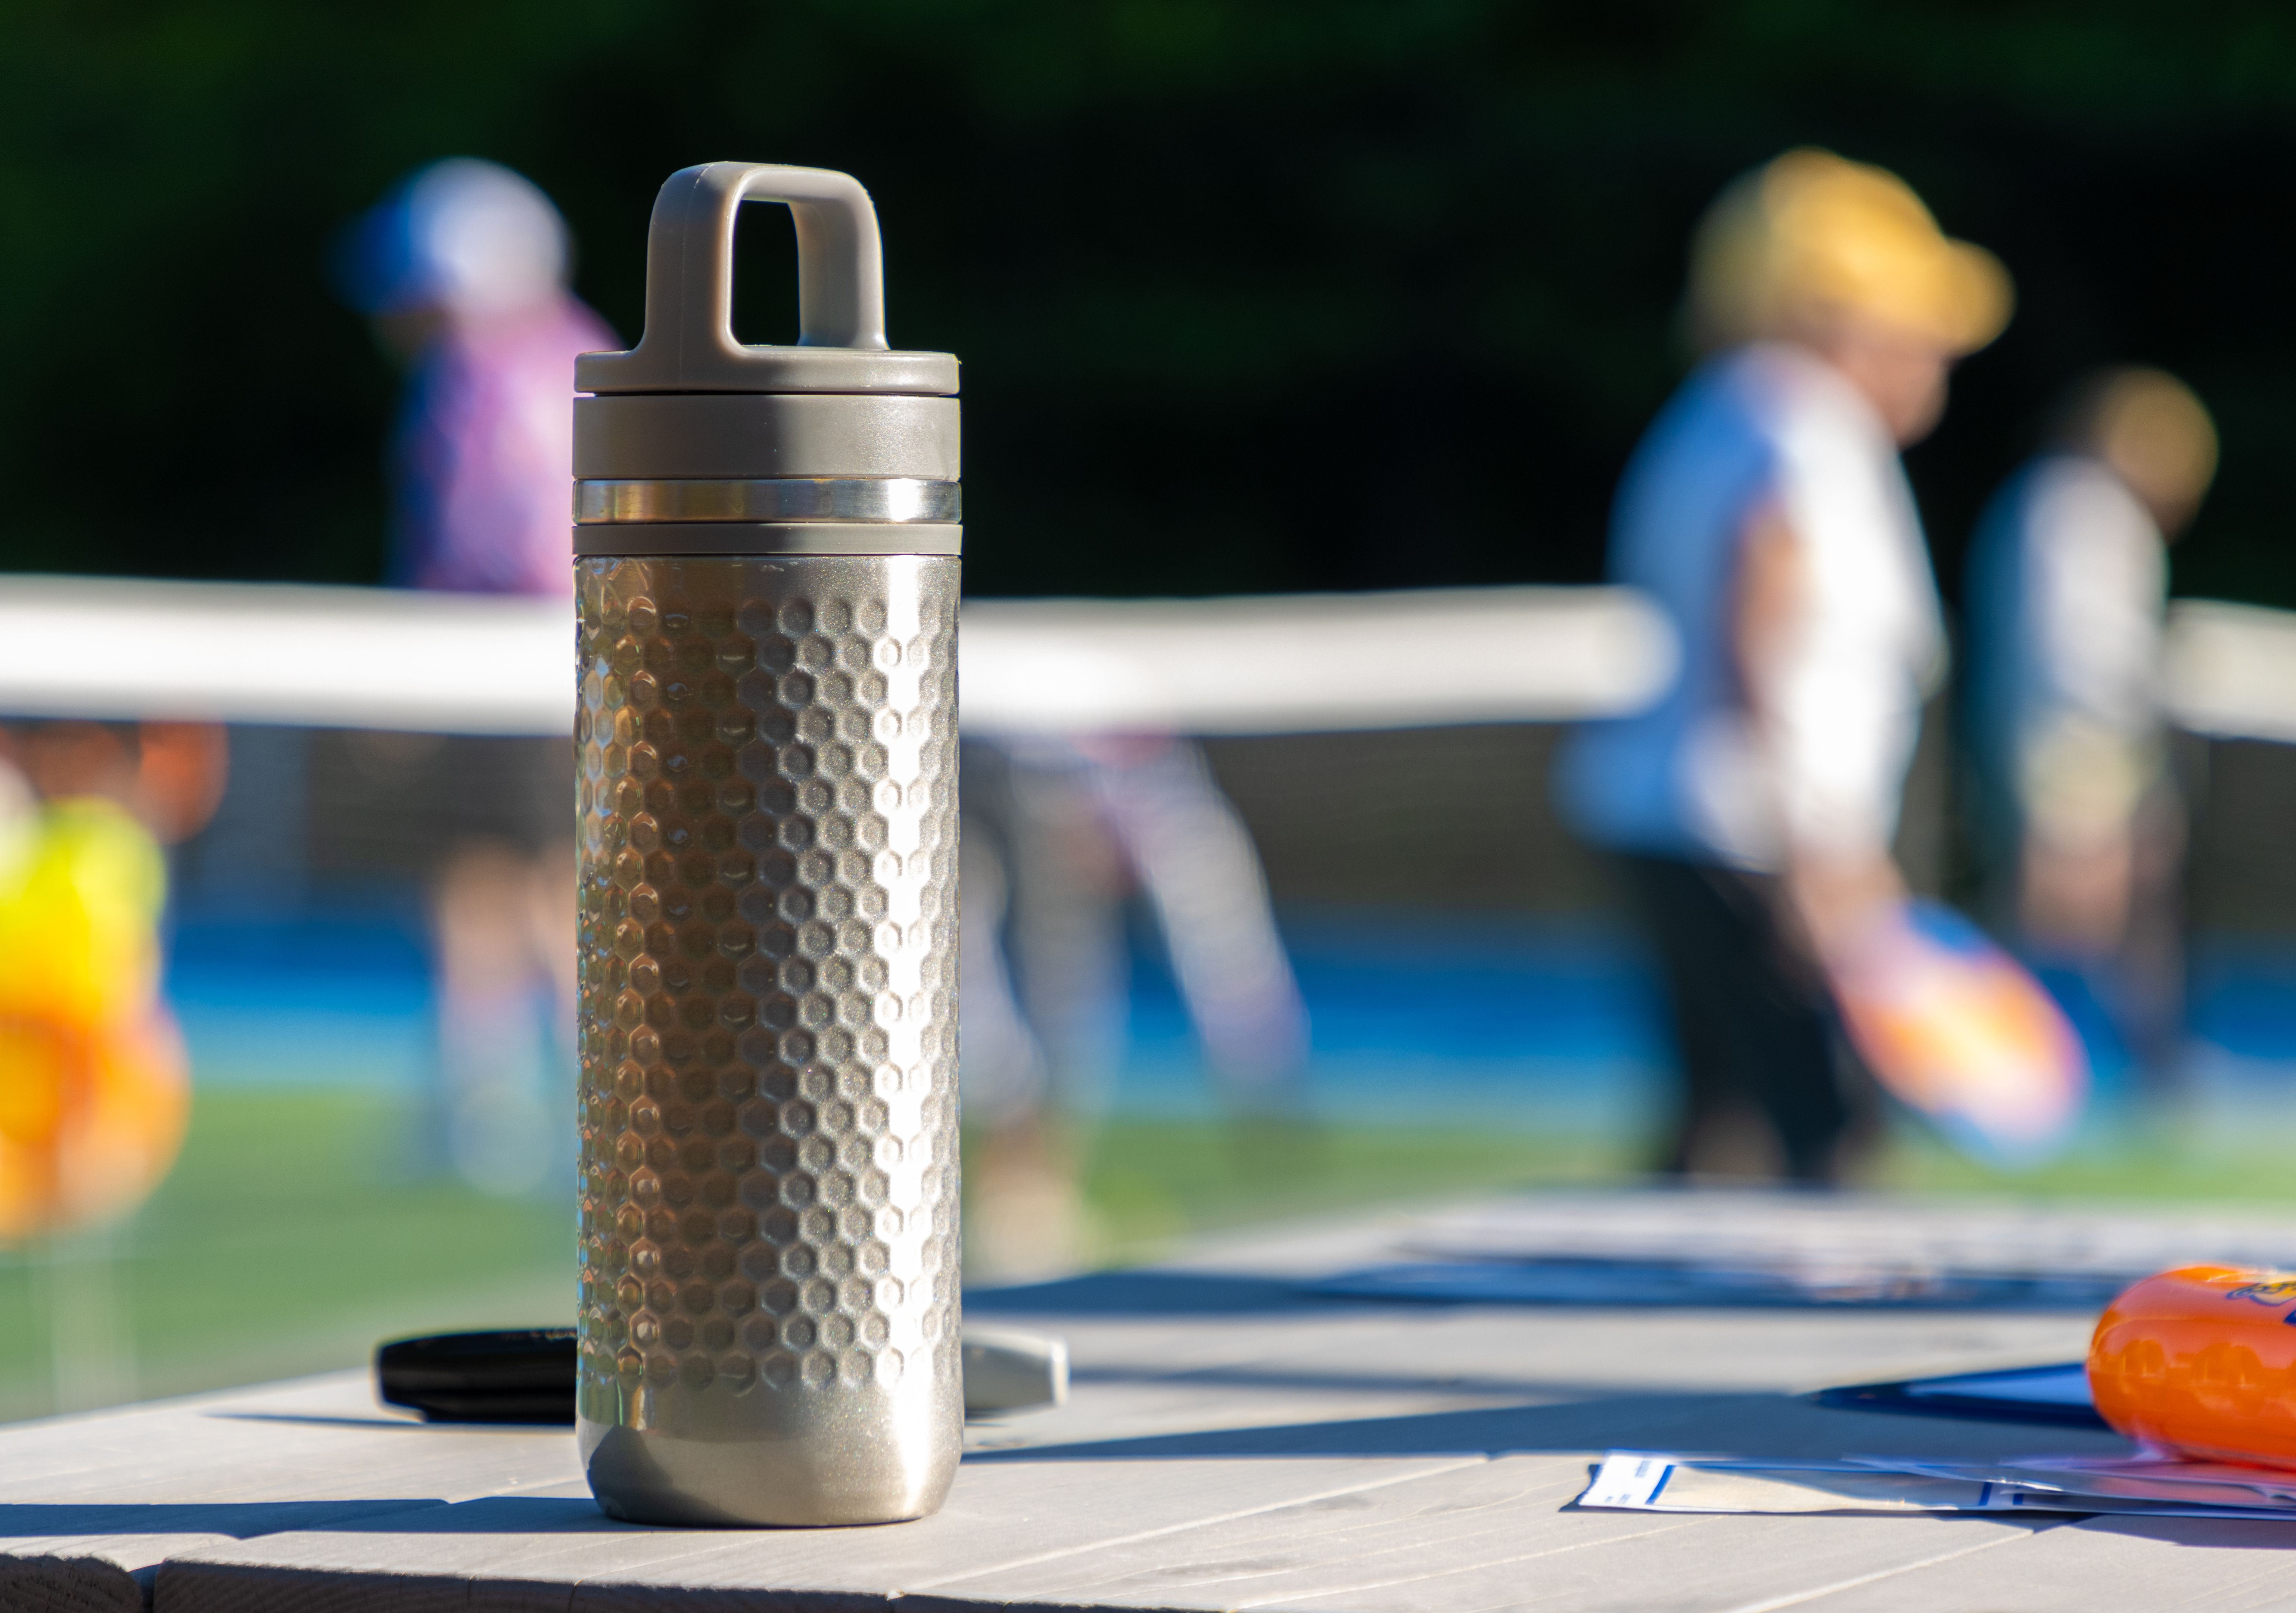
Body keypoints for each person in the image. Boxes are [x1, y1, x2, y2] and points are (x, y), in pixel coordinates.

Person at [1556, 149, 2012, 1182]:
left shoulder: (1720, 411)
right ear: (1832, 315)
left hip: (1691, 822)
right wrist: (1817, 852)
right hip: (1750, 833)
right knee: (1827, 1135)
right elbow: (1757, 607)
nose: (1934, 353)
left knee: (1716, 1132)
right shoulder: (1800, 423)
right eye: (1915, 322)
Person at [338, 160, 615, 1193]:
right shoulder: (581, 353)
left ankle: (550, 1101)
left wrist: (410, 676)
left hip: (517, 671)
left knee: (542, 884)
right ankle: (495, 1097)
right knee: (490, 877)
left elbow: (476, 547)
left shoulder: (485, 376)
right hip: (560, 666)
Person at [959, 733, 1310, 1277]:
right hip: (1013, 761)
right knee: (1041, 973)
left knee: (1061, 980)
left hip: (1106, 767)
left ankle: (1033, 1187)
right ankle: (1025, 1186)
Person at [1962, 369, 2217, 1099]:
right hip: (2078, 742)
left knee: (2105, 912)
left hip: (2068, 738)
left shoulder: (2055, 502)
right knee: (2058, 914)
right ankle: (1999, 1064)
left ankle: (2126, 1064)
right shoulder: (2081, 511)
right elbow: (2074, 651)